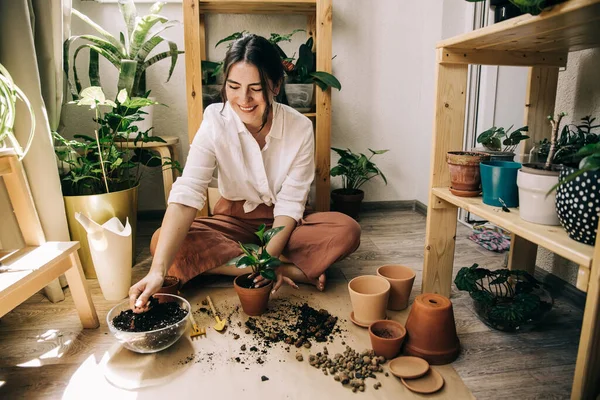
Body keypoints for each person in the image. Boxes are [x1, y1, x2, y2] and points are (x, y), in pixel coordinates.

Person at [129, 34, 361, 312]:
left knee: (346, 230)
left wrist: (267, 256)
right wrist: (157, 271)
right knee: (162, 244)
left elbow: (290, 204)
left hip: (286, 224)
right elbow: (188, 191)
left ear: (275, 85)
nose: (244, 99)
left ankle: (232, 266)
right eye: (234, 87)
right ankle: (292, 269)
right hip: (232, 222)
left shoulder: (299, 127)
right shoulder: (215, 120)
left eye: (256, 88)